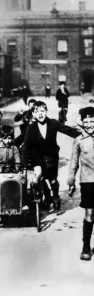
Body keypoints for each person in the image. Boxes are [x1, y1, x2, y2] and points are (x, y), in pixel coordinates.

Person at [23, 101, 80, 213]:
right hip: (37, 157)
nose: (40, 114)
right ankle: (45, 198)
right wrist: (25, 164)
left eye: (43, 111)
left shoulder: (53, 123)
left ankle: (55, 197)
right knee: (39, 177)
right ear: (33, 114)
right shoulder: (31, 128)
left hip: (51, 157)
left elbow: (67, 130)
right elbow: (26, 146)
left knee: (53, 181)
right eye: (37, 111)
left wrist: (81, 134)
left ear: (46, 112)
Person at [68, 106, 94, 261]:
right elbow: (73, 163)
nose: (90, 124)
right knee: (89, 214)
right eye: (87, 121)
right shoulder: (78, 140)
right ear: (82, 123)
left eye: (93, 121)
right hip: (87, 182)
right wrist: (70, 181)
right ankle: (86, 247)